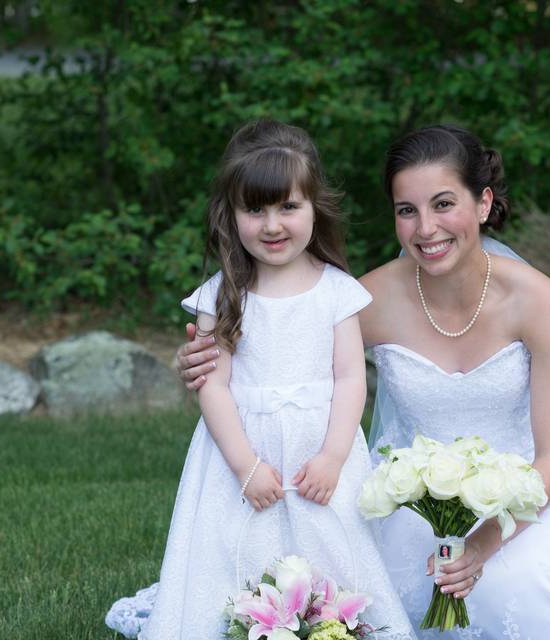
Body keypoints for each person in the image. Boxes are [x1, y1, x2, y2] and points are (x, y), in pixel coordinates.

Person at [176, 124, 550, 639]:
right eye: (407, 211)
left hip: (524, 498)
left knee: (520, 590)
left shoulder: (540, 303)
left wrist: (482, 545)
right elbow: (275, 345)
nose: (426, 229)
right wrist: (200, 358)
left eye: (444, 204)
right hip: (408, 500)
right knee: (374, 590)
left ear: (483, 203)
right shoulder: (365, 299)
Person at [105, 120, 415, 640]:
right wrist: (245, 466)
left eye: (288, 207)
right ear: (232, 215)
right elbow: (213, 385)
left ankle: (331, 621)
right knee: (233, 547)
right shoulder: (221, 296)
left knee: (333, 544)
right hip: (241, 451)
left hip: (321, 446)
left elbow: (349, 379)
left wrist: (334, 457)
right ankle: (241, 619)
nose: (272, 224)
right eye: (256, 209)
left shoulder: (337, 292)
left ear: (316, 207)